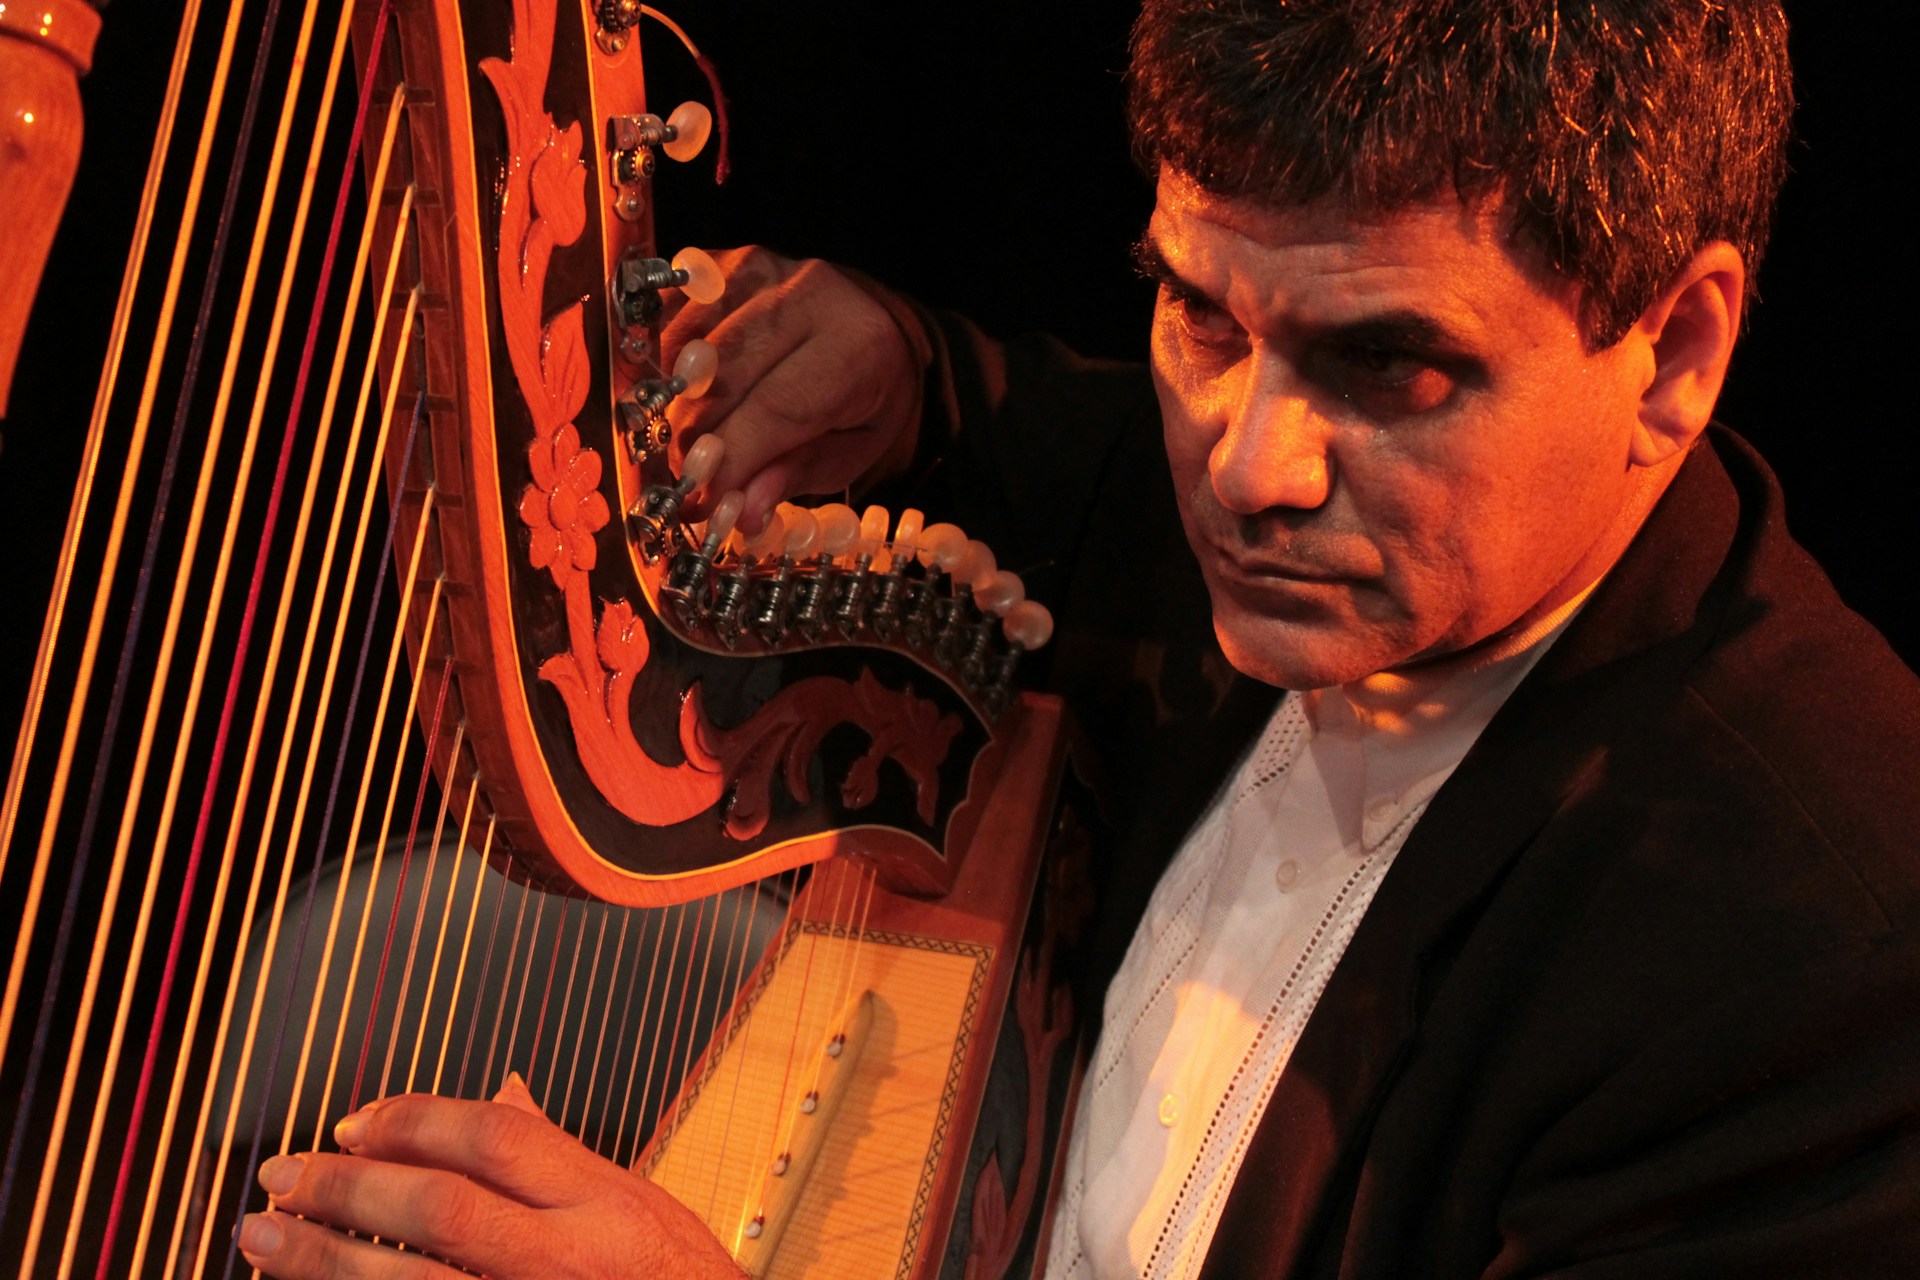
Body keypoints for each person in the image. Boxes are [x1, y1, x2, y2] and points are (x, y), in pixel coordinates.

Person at [235, 1, 1920, 1276]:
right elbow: (1054, 426)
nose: (1248, 469)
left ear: (1679, 351)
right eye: (1199, 311)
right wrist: (903, 355)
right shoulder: (1213, 493)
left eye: (1392, 366)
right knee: (330, 980)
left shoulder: (1823, 955)